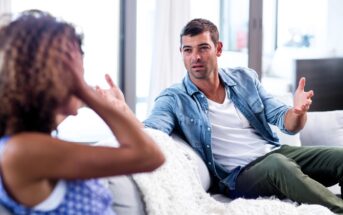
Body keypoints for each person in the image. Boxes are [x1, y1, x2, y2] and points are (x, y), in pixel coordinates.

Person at [144, 18, 343, 214]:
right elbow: (151, 130)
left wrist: (298, 111)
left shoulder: (244, 78)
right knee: (279, 165)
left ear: (218, 49)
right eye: (188, 50)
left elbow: (288, 123)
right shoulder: (173, 98)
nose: (195, 57)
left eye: (203, 48)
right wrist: (122, 117)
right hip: (238, 177)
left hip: (276, 153)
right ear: (182, 53)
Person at [0, 10, 164, 215]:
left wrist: (115, 108)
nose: (80, 78)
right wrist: (83, 89)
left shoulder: (32, 141)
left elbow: (150, 153)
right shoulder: (22, 150)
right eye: (74, 71)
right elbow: (150, 156)